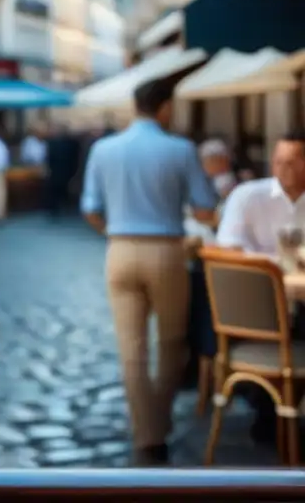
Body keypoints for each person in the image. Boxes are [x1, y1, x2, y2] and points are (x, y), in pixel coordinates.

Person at [80, 78, 217, 466]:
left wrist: (114, 233)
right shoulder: (181, 149)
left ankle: (147, 433)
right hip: (167, 251)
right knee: (173, 343)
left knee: (131, 351)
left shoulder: (103, 149)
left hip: (120, 249)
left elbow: (89, 208)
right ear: (165, 108)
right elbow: (205, 208)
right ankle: (158, 423)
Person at [214, 132, 305, 444]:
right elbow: (228, 250)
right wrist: (274, 263)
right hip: (257, 308)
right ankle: (267, 411)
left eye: (293, 161)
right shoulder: (249, 196)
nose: (283, 168)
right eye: (278, 161)